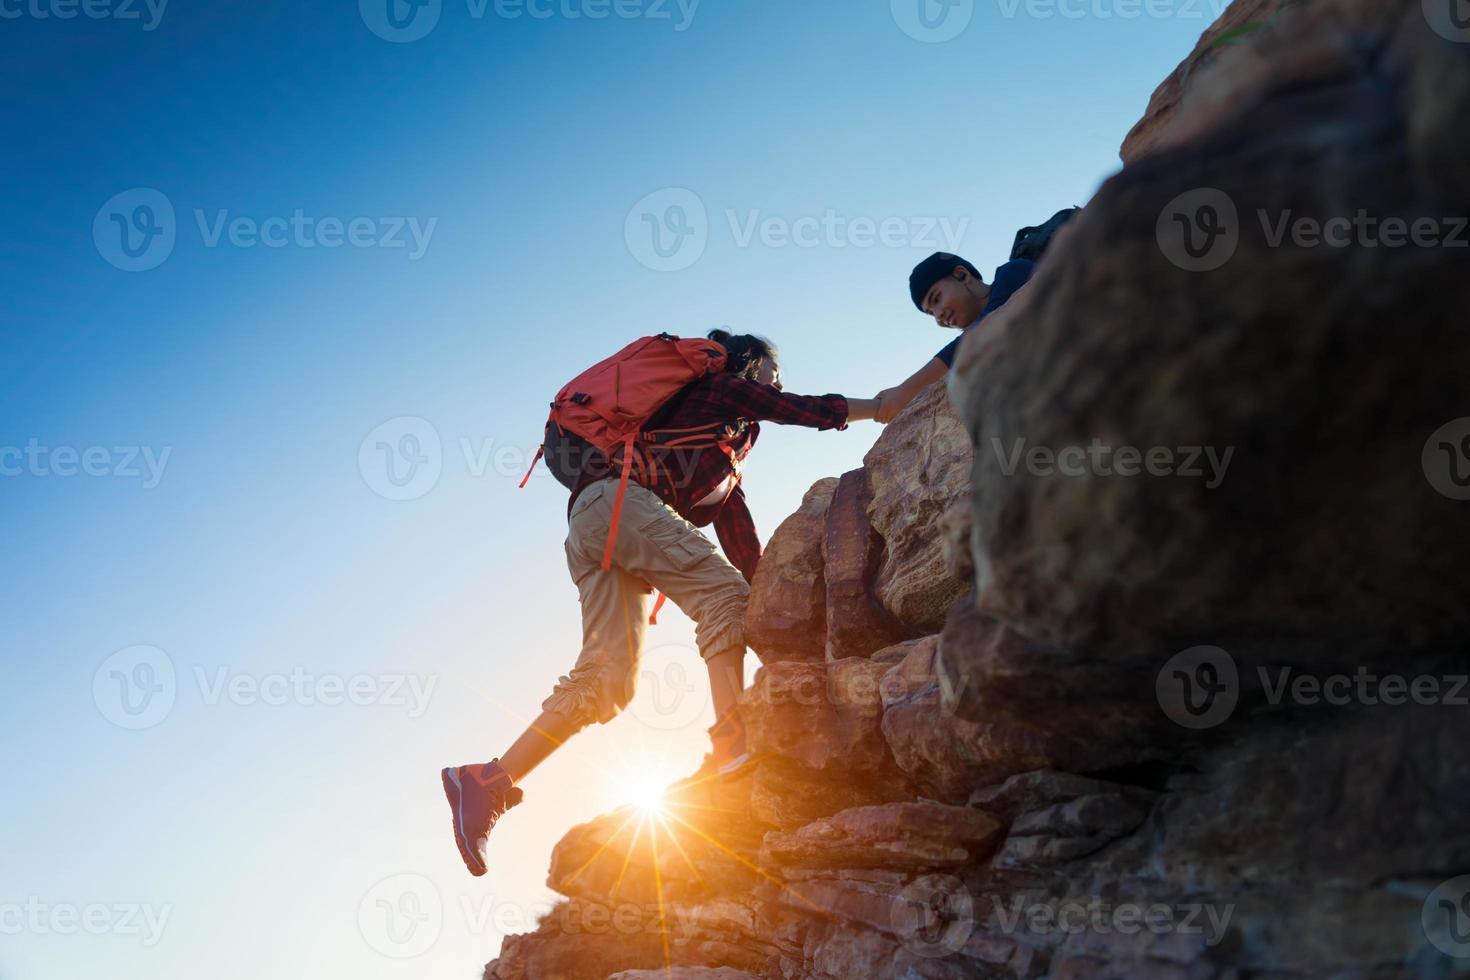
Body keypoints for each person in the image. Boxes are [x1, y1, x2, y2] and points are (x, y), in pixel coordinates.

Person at [441, 330, 879, 877]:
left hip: (591, 521)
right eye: (772, 370)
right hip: (618, 502)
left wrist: (774, 611)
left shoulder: (720, 458)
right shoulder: (722, 391)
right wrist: (881, 406)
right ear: (750, 366)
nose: (778, 380)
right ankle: (732, 750)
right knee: (723, 599)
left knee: (607, 681)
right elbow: (800, 410)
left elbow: (742, 541)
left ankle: (485, 781)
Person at [874, 252, 1035, 424]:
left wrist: (904, 391)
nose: (938, 316)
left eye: (937, 298)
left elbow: (986, 328)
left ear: (962, 275)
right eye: (931, 313)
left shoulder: (1014, 272)